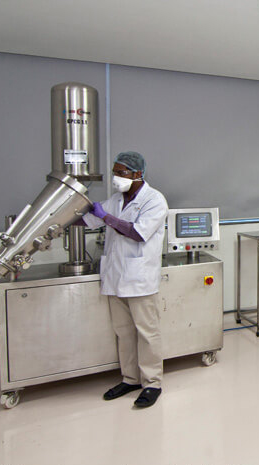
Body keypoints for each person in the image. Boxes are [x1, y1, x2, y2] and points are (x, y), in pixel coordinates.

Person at [83, 151, 168, 408]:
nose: (116, 177)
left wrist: (105, 217)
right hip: (115, 277)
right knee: (124, 332)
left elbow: (138, 233)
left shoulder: (154, 200)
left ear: (138, 174)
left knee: (147, 332)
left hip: (139, 278)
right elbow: (87, 220)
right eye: (114, 172)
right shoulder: (116, 199)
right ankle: (130, 378)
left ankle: (152, 383)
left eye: (122, 173)